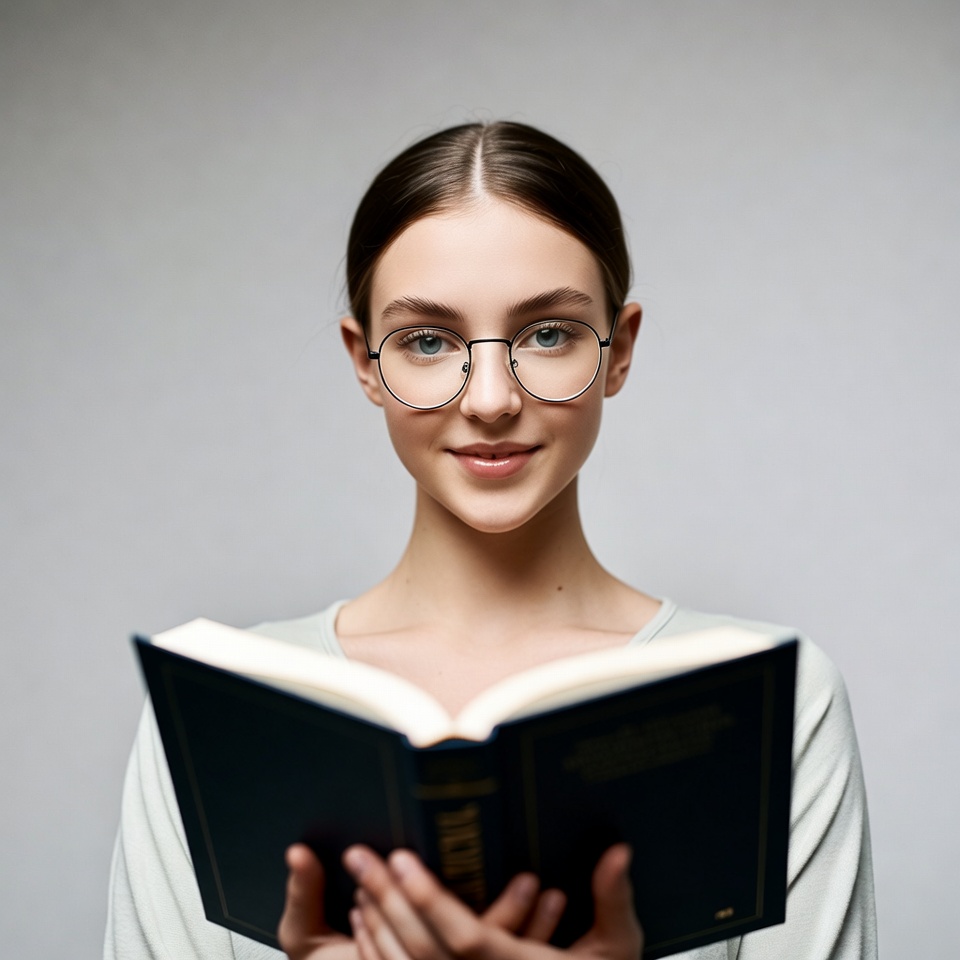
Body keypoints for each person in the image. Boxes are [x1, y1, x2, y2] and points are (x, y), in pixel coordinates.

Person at [104, 121, 877, 960]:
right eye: (427, 342)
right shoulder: (213, 715)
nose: (491, 400)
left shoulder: (776, 703)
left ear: (619, 350)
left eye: (548, 333)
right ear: (365, 362)